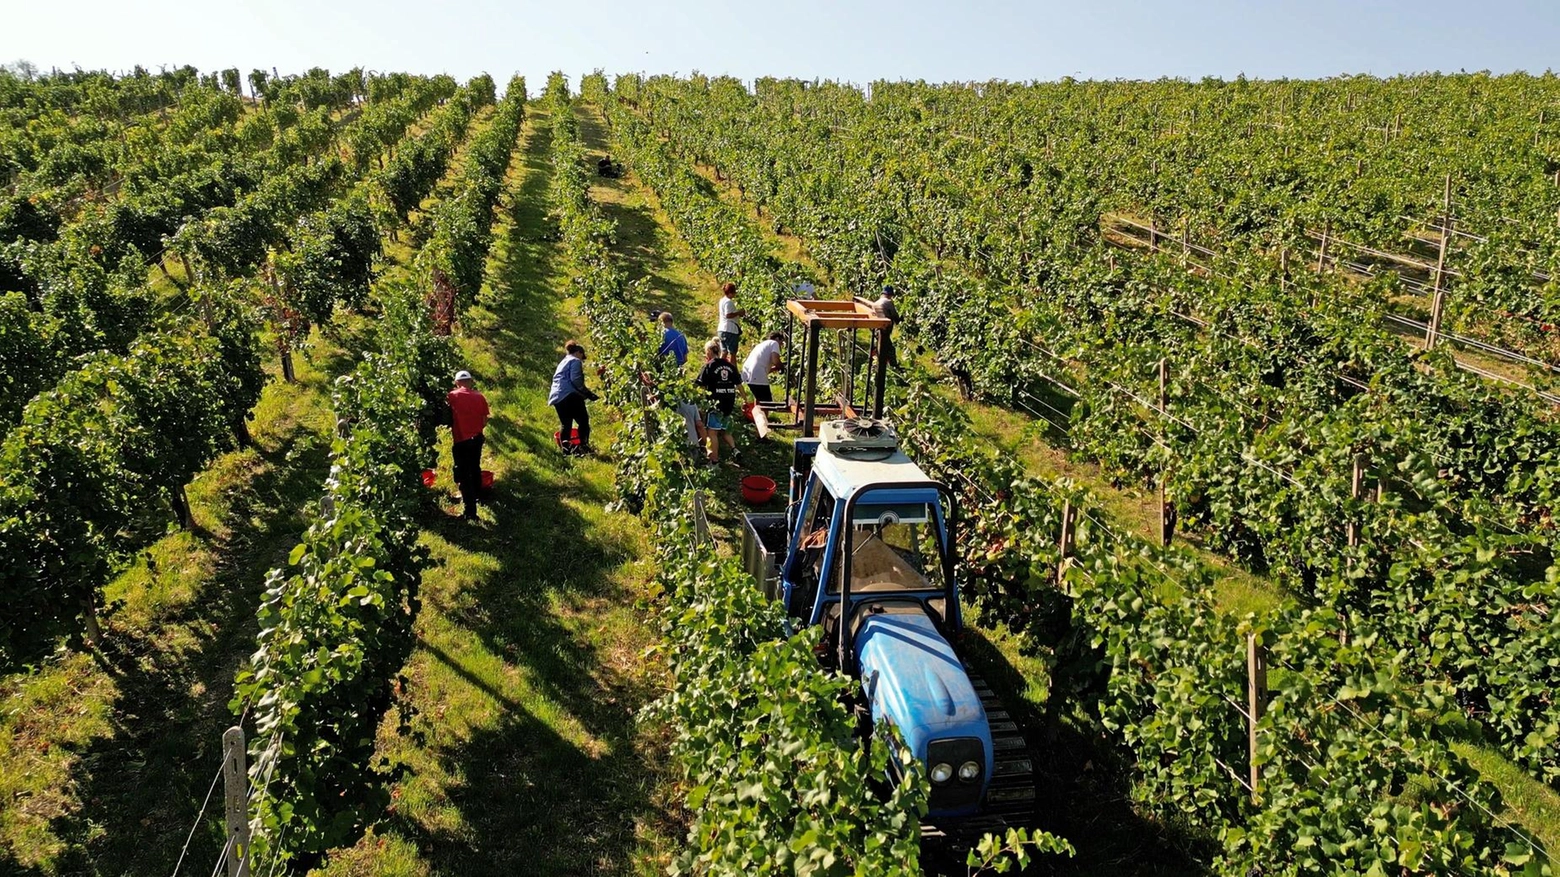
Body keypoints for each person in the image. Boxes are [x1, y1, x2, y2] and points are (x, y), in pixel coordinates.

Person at [447, 370, 490, 521]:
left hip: (461, 441)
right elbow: (484, 421)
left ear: (457, 382)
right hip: (476, 439)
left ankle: (470, 511)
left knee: (463, 474)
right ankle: (478, 496)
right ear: (471, 382)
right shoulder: (480, 397)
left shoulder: (452, 396)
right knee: (475, 468)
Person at [695, 338, 743, 464]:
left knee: (712, 433)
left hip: (715, 404)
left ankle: (714, 460)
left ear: (709, 352)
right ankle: (734, 450)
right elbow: (739, 384)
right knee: (725, 430)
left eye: (706, 352)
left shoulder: (708, 366)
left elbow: (700, 386)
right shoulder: (729, 365)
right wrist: (745, 399)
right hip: (729, 403)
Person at [548, 340, 598, 456]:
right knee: (583, 421)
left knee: (566, 423)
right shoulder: (575, 361)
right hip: (569, 395)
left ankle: (566, 450)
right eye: (582, 356)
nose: (582, 359)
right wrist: (587, 393)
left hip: (557, 397)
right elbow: (575, 380)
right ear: (579, 353)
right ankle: (583, 447)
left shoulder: (563, 361)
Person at [741, 330, 786, 404]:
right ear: (777, 338)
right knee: (767, 404)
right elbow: (775, 360)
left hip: (747, 373)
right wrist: (782, 367)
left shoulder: (762, 344)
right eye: (781, 342)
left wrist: (775, 368)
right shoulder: (774, 343)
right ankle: (763, 415)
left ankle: (757, 413)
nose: (781, 345)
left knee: (760, 401)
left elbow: (762, 365)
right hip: (756, 374)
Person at [870, 285, 902, 369]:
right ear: (890, 294)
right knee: (890, 349)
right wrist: (900, 320)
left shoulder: (876, 303)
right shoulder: (888, 302)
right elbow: (895, 316)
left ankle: (875, 363)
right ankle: (893, 366)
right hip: (884, 329)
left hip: (876, 328)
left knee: (878, 346)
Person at [717, 282, 746, 357]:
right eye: (734, 291)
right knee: (732, 353)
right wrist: (738, 313)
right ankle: (733, 368)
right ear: (731, 292)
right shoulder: (728, 302)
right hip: (730, 330)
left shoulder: (722, 300)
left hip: (721, 329)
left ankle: (717, 367)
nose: (735, 293)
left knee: (724, 352)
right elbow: (728, 315)